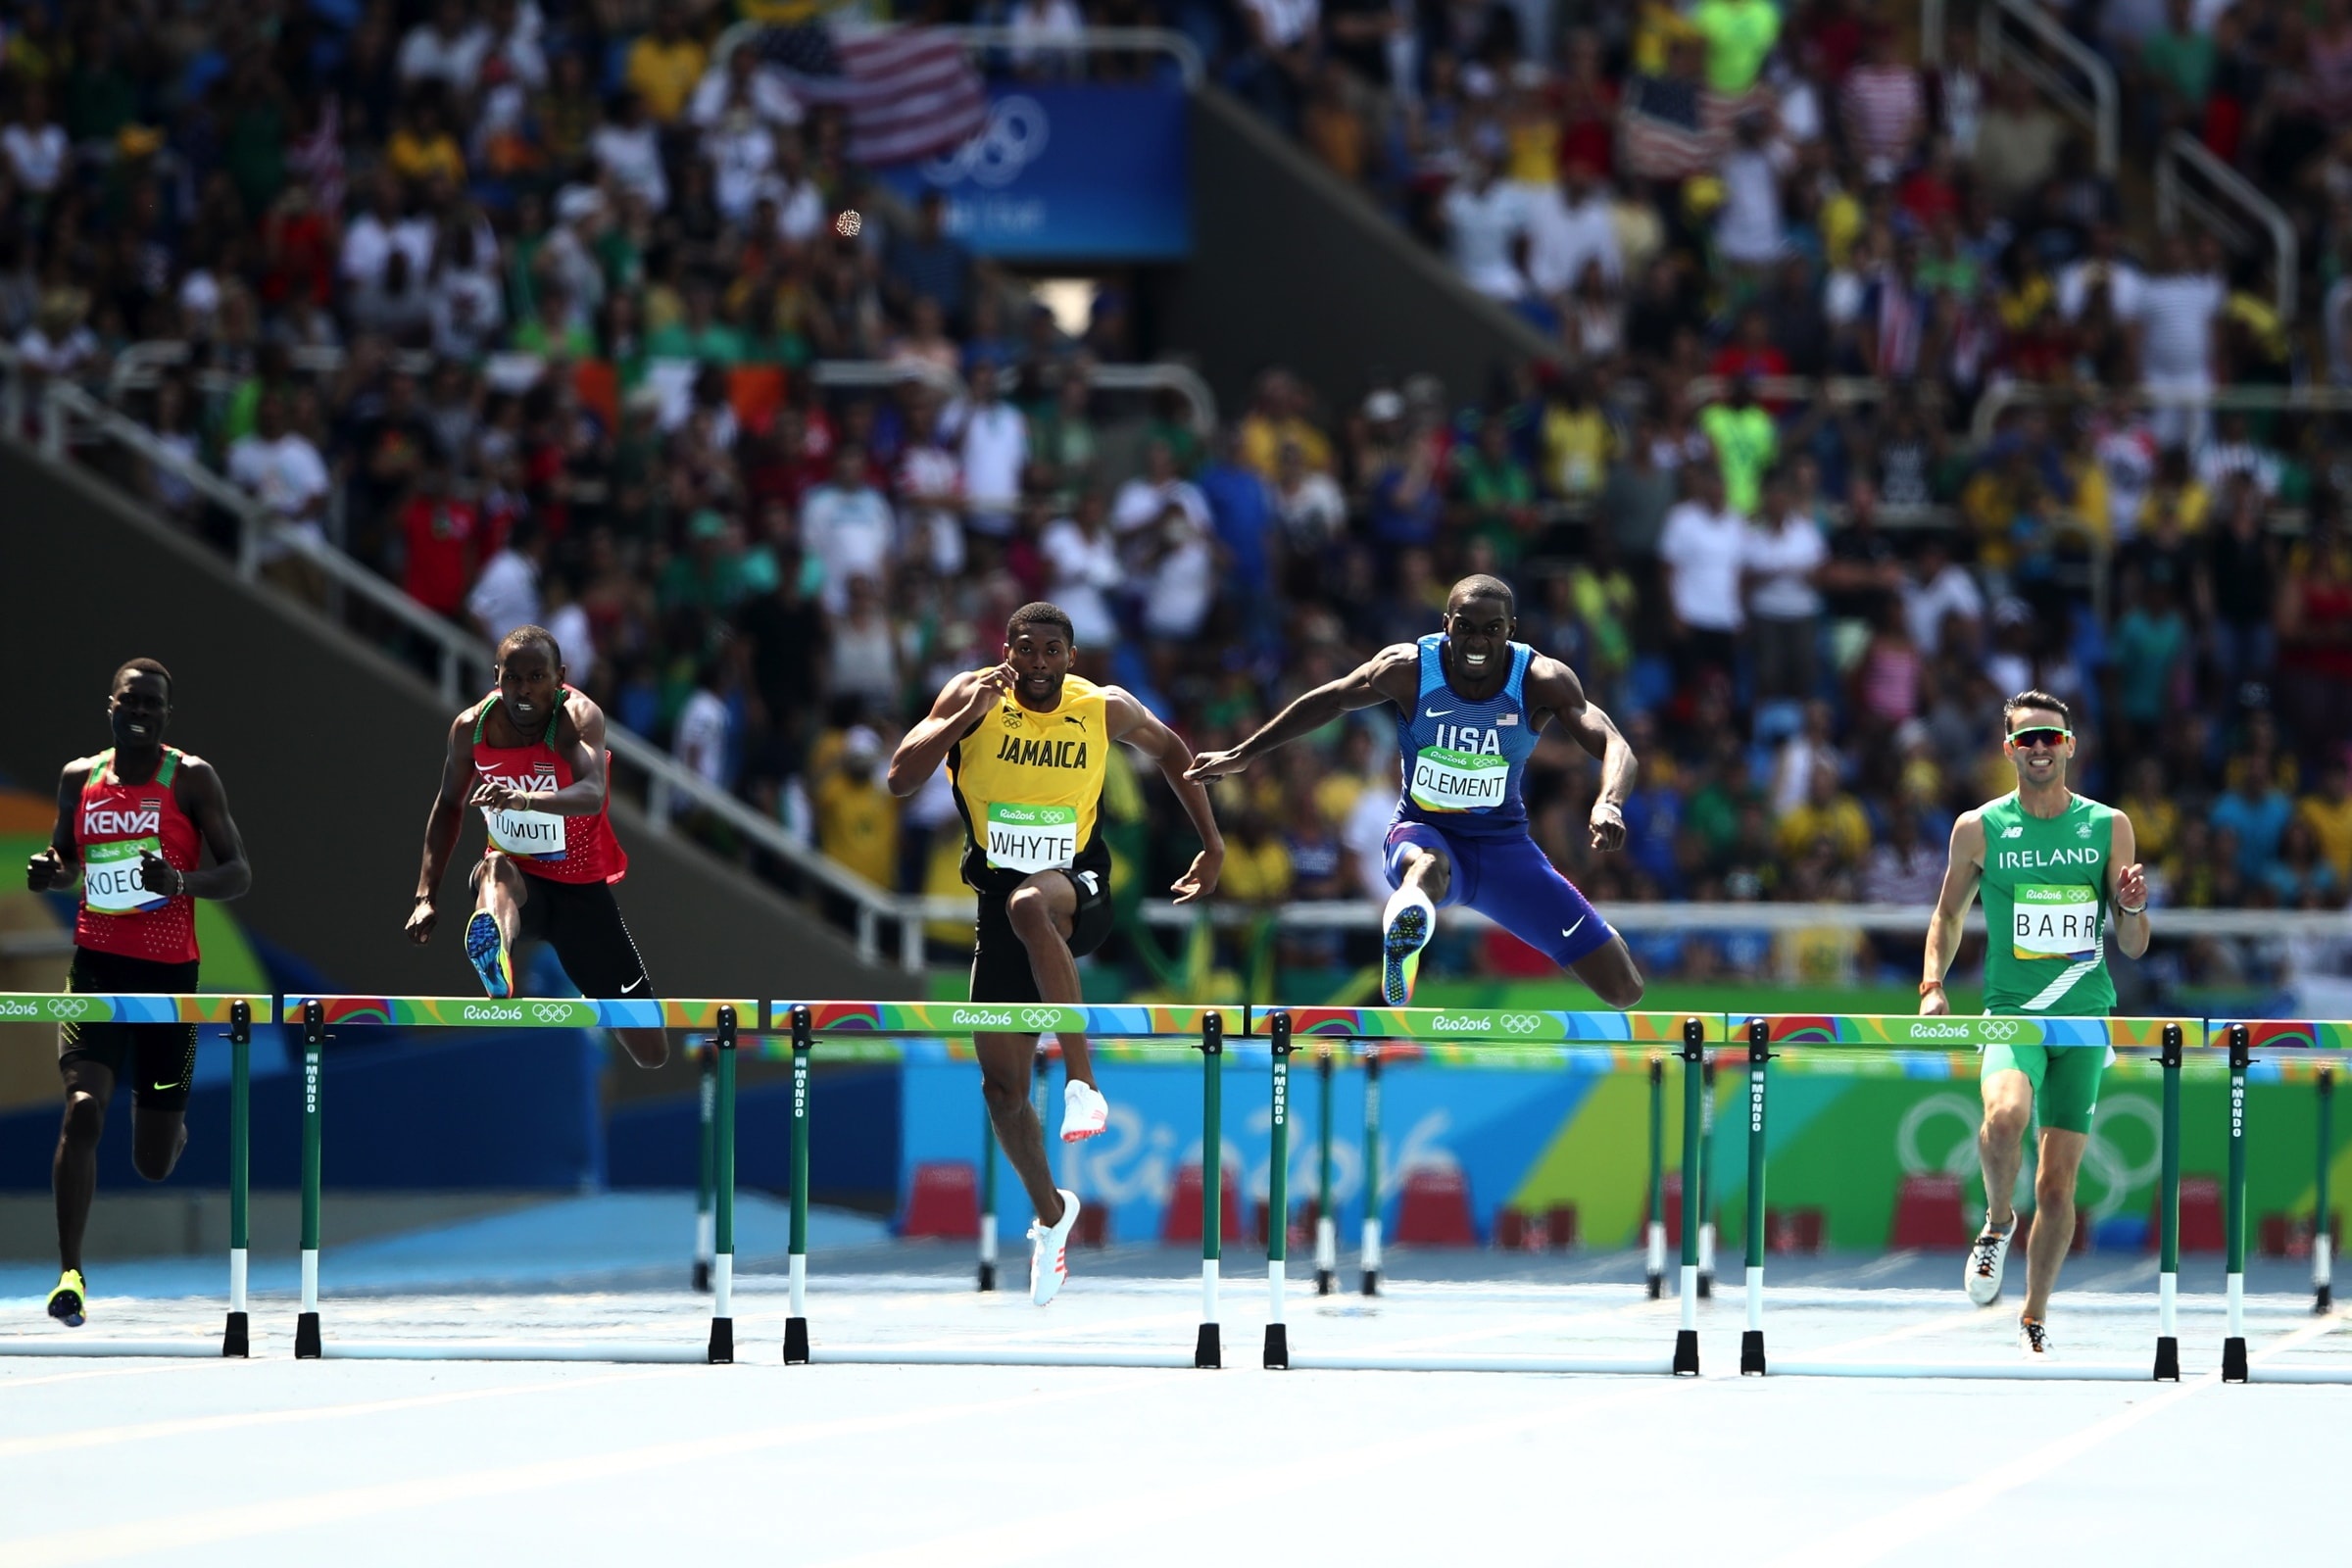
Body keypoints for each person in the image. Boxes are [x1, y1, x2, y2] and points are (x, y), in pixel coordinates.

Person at [887, 603, 1224, 1306]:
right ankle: (1051, 1215)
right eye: (1026, 649)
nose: (1038, 663)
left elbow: (1172, 753)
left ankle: (1082, 1083)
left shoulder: (1101, 708)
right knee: (1003, 1091)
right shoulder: (970, 695)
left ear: (1071, 657)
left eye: (1051, 651)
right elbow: (899, 778)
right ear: (1005, 649)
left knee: (1030, 904)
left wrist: (1212, 843)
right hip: (999, 909)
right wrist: (959, 719)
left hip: (1080, 890)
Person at [1189, 574, 1644, 1009]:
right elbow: (1331, 699)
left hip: (1504, 850)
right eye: (1465, 628)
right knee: (1427, 867)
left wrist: (1609, 802)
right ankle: (1405, 942)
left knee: (1624, 988)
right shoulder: (1409, 670)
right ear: (1446, 625)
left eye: (1492, 630)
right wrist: (1244, 753)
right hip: (1424, 831)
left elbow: (1613, 744)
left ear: (1511, 630)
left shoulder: (1540, 679)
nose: (1478, 641)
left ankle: (1420, 924)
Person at [1921, 691, 2150, 1356]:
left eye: (2052, 737)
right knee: (2004, 1118)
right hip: (2013, 1016)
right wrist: (1933, 984)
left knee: (2057, 1183)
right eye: (2028, 740)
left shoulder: (2109, 826)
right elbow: (1948, 915)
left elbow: (2133, 943)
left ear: (2071, 745)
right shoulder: (1978, 828)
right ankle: (1996, 1221)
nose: (2041, 748)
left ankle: (2034, 1313)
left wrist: (2132, 908)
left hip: (2083, 1020)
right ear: (2009, 750)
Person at [24, 660, 253, 1328]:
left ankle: (169, 1127)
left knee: (152, 1162)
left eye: (154, 706)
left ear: (165, 716)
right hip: (96, 969)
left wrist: (179, 882)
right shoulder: (79, 779)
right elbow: (65, 858)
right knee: (85, 1111)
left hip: (168, 981)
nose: (142, 714)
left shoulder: (191, 779)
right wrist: (52, 871)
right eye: (132, 702)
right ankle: (71, 1271)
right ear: (112, 706)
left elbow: (238, 871)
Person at [406, 625, 666, 1071]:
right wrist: (425, 896)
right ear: (497, 677)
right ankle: (495, 955)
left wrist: (525, 799)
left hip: (581, 893)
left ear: (559, 676)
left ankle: (584, 983)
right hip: (519, 887)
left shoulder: (576, 719)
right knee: (494, 870)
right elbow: (448, 805)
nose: (524, 690)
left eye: (537, 678)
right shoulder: (471, 730)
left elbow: (592, 791)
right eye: (512, 678)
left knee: (651, 1052)